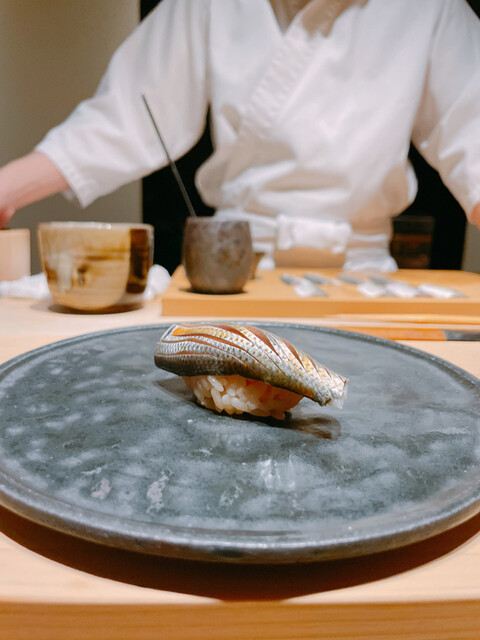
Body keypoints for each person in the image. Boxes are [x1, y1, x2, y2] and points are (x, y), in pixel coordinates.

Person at [1, 0, 480, 271]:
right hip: (232, 268)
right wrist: (6, 189)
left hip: (363, 273)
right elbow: (124, 115)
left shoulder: (432, 8)